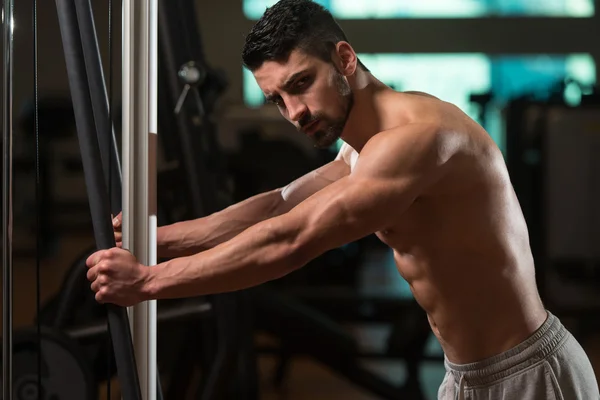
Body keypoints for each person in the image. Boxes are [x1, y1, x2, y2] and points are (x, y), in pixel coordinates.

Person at [86, 0, 599, 398]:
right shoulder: (363, 149)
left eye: (301, 84)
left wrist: (149, 281)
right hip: (464, 375)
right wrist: (157, 240)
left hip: (527, 375)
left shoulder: (417, 139)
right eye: (277, 100)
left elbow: (293, 240)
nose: (294, 112)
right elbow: (279, 205)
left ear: (344, 59)